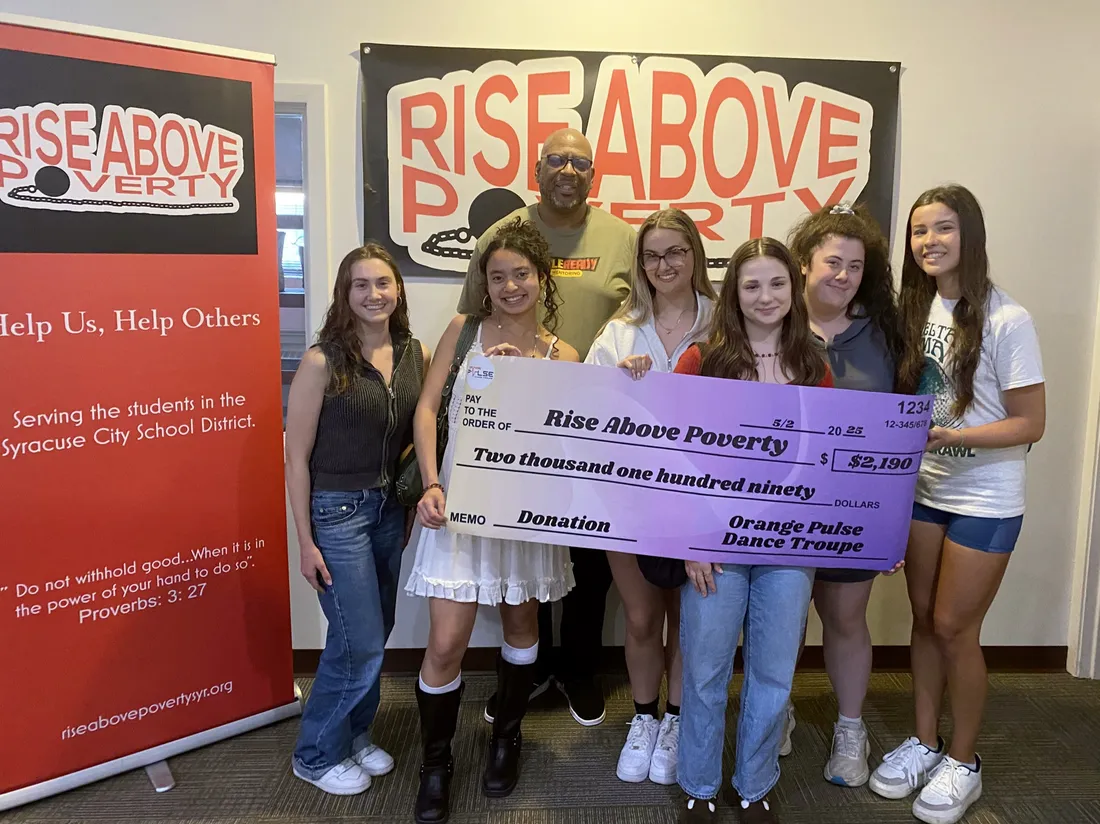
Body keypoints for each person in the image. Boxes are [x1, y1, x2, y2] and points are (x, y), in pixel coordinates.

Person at [868, 185, 1045, 824]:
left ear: (969, 233)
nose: (929, 242)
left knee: (953, 627)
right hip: (924, 492)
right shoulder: (913, 310)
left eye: (943, 228)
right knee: (922, 619)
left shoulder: (1006, 317)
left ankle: (964, 762)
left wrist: (951, 436)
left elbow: (1031, 423)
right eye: (919, 232)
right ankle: (924, 740)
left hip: (986, 497)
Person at [458, 127, 635, 727]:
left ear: (594, 174)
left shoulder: (622, 239)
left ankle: (578, 666)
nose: (568, 170)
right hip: (514, 439)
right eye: (556, 160)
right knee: (526, 558)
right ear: (537, 169)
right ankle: (527, 670)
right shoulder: (501, 234)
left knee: (588, 563)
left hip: (593, 427)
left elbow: (644, 314)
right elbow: (470, 320)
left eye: (579, 162)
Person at [406, 217, 579, 824]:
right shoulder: (464, 330)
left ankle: (505, 737)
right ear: (484, 282)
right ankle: (436, 763)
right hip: (459, 506)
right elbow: (428, 409)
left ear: (542, 277)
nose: (510, 287)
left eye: (522, 275)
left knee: (522, 626)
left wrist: (525, 382)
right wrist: (431, 482)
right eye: (498, 276)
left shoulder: (564, 353)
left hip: (522, 518)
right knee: (446, 643)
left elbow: (566, 444)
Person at [674, 238, 834, 824]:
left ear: (793, 290)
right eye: (751, 285)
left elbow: (829, 462)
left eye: (776, 284)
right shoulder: (702, 358)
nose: (765, 297)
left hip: (788, 547)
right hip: (713, 546)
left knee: (772, 672)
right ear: (733, 294)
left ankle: (755, 782)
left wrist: (873, 527)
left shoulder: (815, 366)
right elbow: (677, 458)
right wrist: (691, 537)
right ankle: (697, 783)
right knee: (706, 668)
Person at [285, 244, 428, 795]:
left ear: (398, 290)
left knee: (377, 630)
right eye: (361, 285)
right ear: (346, 295)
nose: (374, 294)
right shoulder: (324, 360)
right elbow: (295, 456)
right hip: (336, 514)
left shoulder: (412, 351)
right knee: (357, 638)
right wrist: (305, 540)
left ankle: (354, 733)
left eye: (384, 283)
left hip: (390, 510)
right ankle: (316, 753)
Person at [584, 207, 717, 784]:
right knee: (641, 618)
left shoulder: (724, 322)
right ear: (640, 264)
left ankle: (678, 721)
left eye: (676, 252)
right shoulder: (619, 330)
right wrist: (619, 382)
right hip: (630, 500)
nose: (665, 264)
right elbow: (584, 409)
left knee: (691, 621)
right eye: (653, 255)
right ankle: (644, 717)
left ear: (695, 257)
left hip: (703, 505)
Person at [784, 202, 905, 787]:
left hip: (852, 510)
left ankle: (851, 728)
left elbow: (901, 436)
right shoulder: (770, 323)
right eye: (833, 262)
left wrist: (890, 521)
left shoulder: (882, 335)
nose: (843, 275)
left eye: (855, 267)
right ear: (804, 263)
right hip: (779, 507)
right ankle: (775, 711)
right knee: (780, 617)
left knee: (845, 618)